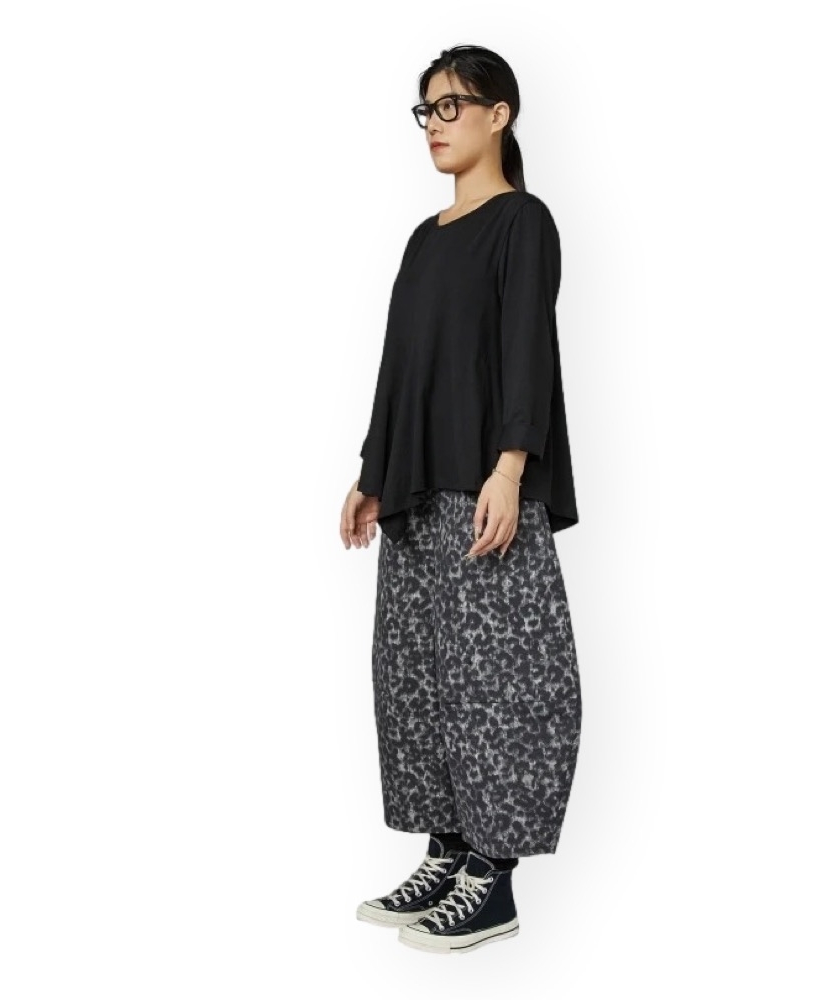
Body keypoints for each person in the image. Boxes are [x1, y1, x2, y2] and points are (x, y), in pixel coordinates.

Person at [339, 44, 582, 955]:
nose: (435, 124)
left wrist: (511, 468)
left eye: (452, 106)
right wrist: (373, 470)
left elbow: (526, 348)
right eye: (426, 109)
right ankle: (446, 854)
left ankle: (493, 877)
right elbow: (402, 363)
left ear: (499, 114)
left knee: (503, 682)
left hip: (484, 488)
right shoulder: (424, 237)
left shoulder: (523, 222)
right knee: (418, 678)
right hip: (415, 490)